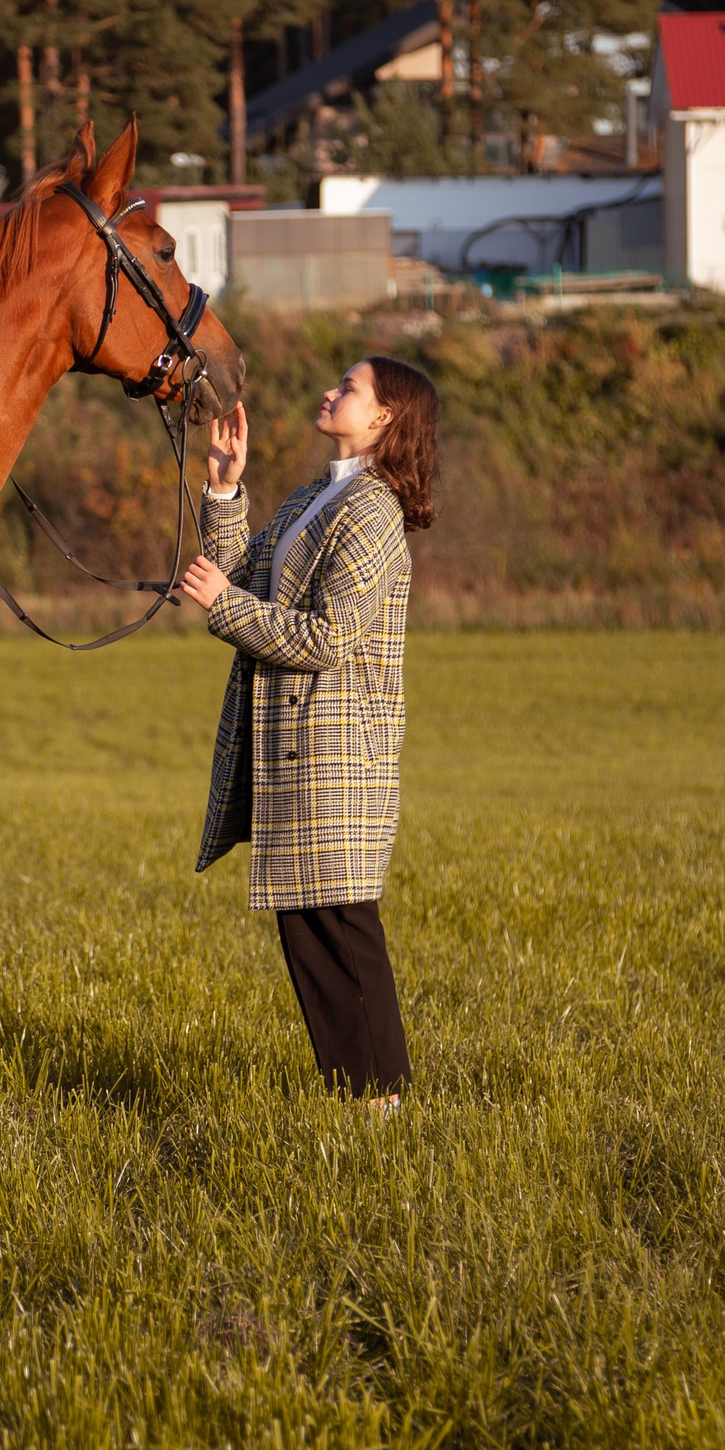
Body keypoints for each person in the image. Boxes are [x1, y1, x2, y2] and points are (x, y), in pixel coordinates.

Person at [178, 355, 438, 1112]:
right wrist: (226, 486)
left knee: (340, 926)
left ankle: (382, 1105)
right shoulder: (314, 498)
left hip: (336, 757)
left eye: (348, 388)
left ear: (384, 417)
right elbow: (243, 579)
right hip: (296, 752)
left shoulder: (374, 511)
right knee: (311, 924)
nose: (329, 391)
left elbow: (327, 636)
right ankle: (362, 1098)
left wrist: (224, 603)